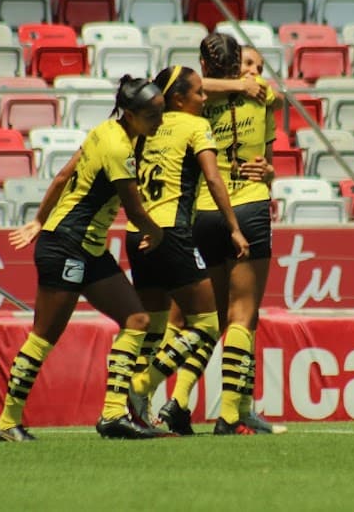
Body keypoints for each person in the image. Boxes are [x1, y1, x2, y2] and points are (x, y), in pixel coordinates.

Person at [0, 75, 167, 442]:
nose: (160, 122)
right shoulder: (119, 148)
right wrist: (159, 232)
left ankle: (113, 415)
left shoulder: (105, 130)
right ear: (132, 115)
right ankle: (7, 422)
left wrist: (39, 219)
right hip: (67, 246)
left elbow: (62, 176)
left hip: (86, 247)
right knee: (43, 337)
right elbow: (134, 211)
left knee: (136, 319)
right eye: (154, 116)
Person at [124, 65, 249, 436]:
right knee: (209, 323)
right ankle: (143, 386)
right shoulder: (195, 127)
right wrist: (234, 227)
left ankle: (137, 412)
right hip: (172, 232)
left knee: (156, 327)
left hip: (136, 233)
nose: (205, 98)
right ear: (179, 98)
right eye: (199, 93)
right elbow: (212, 177)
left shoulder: (145, 129)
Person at [188, 32, 279, 435]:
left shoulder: (254, 99)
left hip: (213, 211)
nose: (254, 75)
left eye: (259, 69)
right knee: (228, 316)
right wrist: (240, 86)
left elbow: (270, 164)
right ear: (231, 67)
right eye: (247, 66)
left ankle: (241, 406)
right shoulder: (202, 97)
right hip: (231, 209)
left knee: (243, 317)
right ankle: (218, 411)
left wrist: (271, 172)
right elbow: (187, 81)